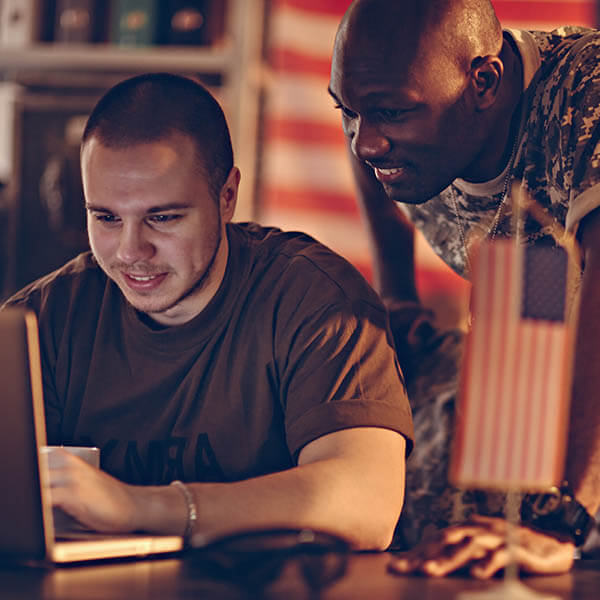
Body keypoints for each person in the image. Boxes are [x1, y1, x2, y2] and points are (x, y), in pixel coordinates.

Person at [1, 72, 414, 550]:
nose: (131, 251)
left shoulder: (315, 298)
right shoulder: (42, 319)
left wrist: (137, 507)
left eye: (163, 217)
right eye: (106, 217)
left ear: (226, 197)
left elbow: (369, 502)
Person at [329, 0, 600, 577]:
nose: (365, 143)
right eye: (350, 113)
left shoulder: (585, 92)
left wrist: (563, 521)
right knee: (438, 509)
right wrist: (398, 294)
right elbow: (367, 134)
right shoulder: (383, 112)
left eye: (391, 113)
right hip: (535, 298)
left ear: (483, 81)